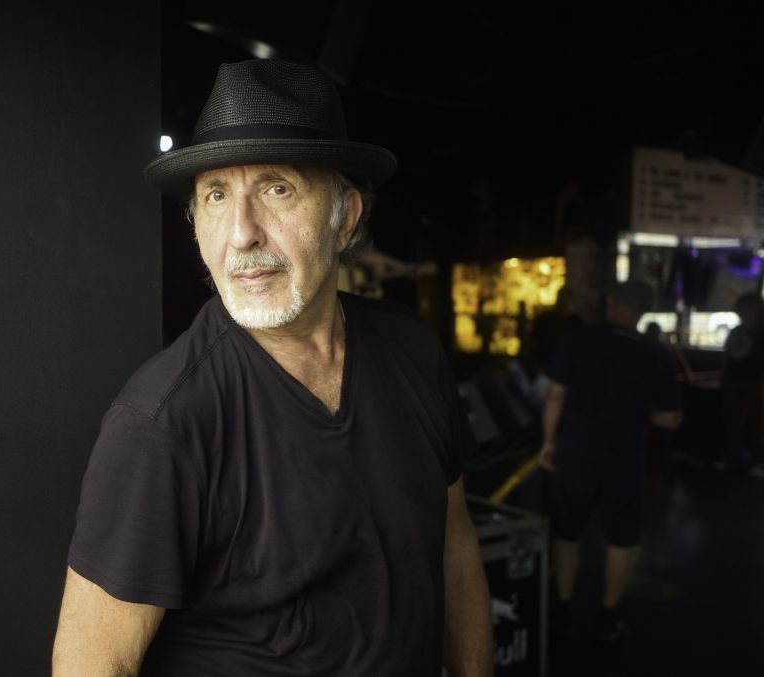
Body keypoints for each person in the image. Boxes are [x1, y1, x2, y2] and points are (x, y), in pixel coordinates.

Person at [52, 59, 494, 676]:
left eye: (277, 188)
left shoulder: (413, 350)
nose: (241, 233)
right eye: (216, 195)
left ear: (345, 216)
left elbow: (453, 541)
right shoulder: (162, 423)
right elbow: (93, 666)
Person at [537, 279, 682, 643]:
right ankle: (607, 616)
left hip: (575, 452)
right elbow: (671, 419)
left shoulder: (581, 339)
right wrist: (642, 411)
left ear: (612, 302)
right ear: (644, 310)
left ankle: (563, 608)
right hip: (624, 459)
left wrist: (548, 443)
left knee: (567, 532)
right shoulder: (656, 353)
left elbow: (554, 397)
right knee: (622, 539)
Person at [718, 292, 764, 476]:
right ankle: (733, 458)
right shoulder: (737, 331)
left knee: (756, 423)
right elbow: (727, 356)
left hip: (754, 382)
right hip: (734, 381)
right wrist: (724, 376)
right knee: (733, 422)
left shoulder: (760, 332)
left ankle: (757, 460)